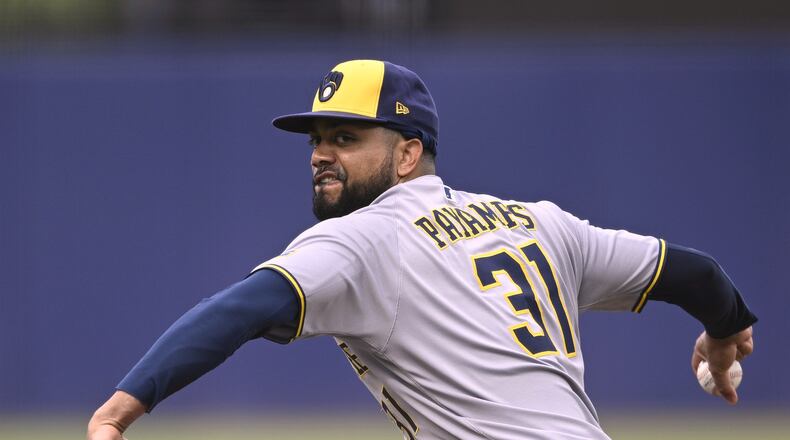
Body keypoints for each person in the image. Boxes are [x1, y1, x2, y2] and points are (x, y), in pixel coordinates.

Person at [87, 60, 757, 440]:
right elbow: (696, 273)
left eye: (347, 138)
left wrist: (120, 409)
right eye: (317, 138)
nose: (321, 153)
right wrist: (726, 330)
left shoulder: (363, 239)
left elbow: (234, 310)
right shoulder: (537, 223)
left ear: (408, 154)